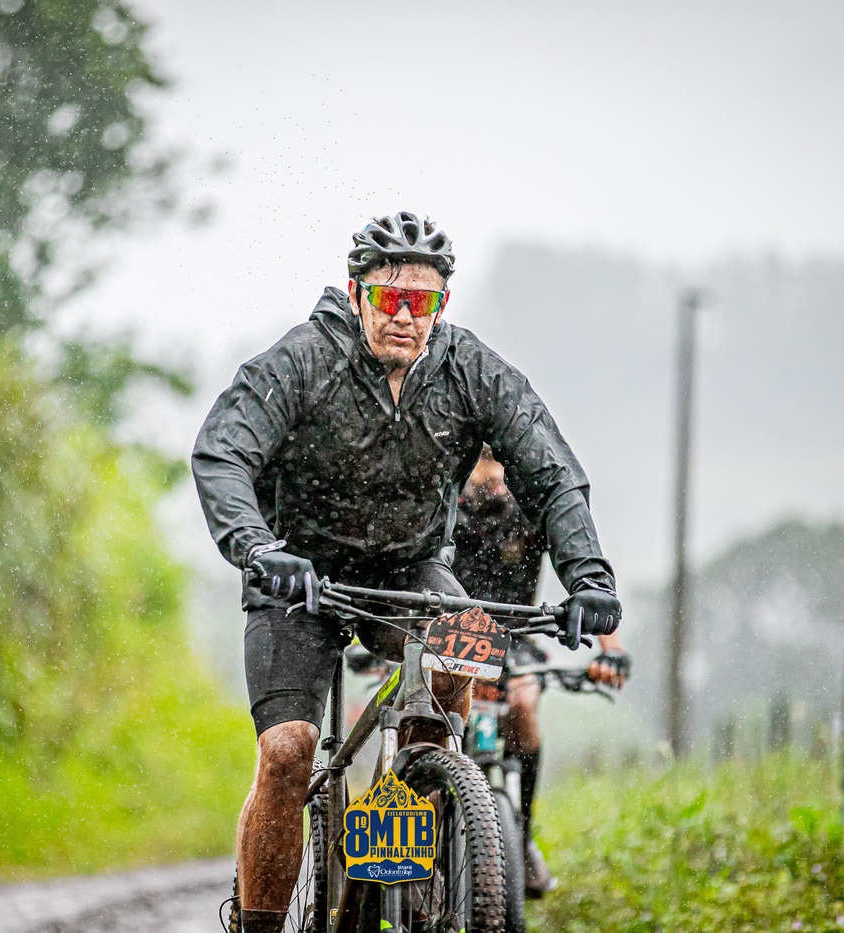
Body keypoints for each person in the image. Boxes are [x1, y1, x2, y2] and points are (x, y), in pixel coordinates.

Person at [192, 212, 622, 933]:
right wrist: (259, 548)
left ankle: (409, 825)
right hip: (298, 573)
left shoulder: (470, 369)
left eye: (420, 302)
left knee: (464, 655)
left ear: (440, 306)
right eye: (388, 297)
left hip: (410, 570)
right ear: (355, 293)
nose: (403, 316)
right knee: (289, 751)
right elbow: (223, 452)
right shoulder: (303, 359)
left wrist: (590, 578)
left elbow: (553, 473)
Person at [454, 448, 631, 897]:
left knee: (524, 706)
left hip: (516, 638)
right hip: (452, 634)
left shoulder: (529, 512)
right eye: (482, 470)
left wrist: (611, 648)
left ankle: (523, 837)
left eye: (499, 471)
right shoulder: (448, 510)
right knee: (440, 721)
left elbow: (582, 570)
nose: (493, 482)